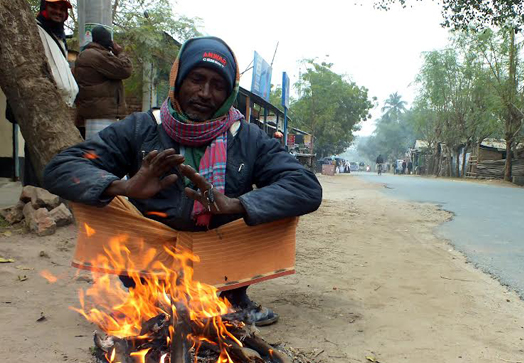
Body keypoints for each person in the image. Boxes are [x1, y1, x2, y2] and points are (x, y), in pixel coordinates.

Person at [44, 36, 322, 326]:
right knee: (98, 199)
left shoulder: (248, 137)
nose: (204, 93)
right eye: (196, 79)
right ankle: (145, 298)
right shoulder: (141, 127)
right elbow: (60, 168)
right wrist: (122, 187)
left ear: (229, 93)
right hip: (150, 257)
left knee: (277, 210)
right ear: (178, 80)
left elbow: (306, 187)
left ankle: (232, 298)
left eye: (218, 86)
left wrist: (238, 205)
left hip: (222, 253)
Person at [5, 0, 78, 187]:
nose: (58, 12)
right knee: (36, 156)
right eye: (54, 7)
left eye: (62, 9)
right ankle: (35, 199)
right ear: (44, 8)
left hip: (61, 106)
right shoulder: (35, 30)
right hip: (40, 106)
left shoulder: (59, 36)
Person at [74, 25, 132, 139]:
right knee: (100, 151)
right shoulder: (96, 55)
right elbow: (125, 70)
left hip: (97, 113)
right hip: (101, 116)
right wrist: (120, 53)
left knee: (98, 151)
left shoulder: (88, 54)